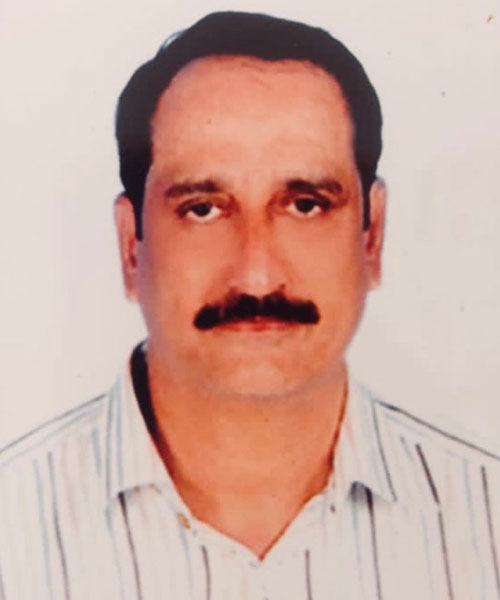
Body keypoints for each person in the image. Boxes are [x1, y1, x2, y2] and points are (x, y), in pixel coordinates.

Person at [0, 11, 499, 600]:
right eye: (203, 209)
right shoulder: (14, 531)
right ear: (131, 246)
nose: (257, 274)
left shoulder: (487, 526)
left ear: (373, 238)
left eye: (306, 205)